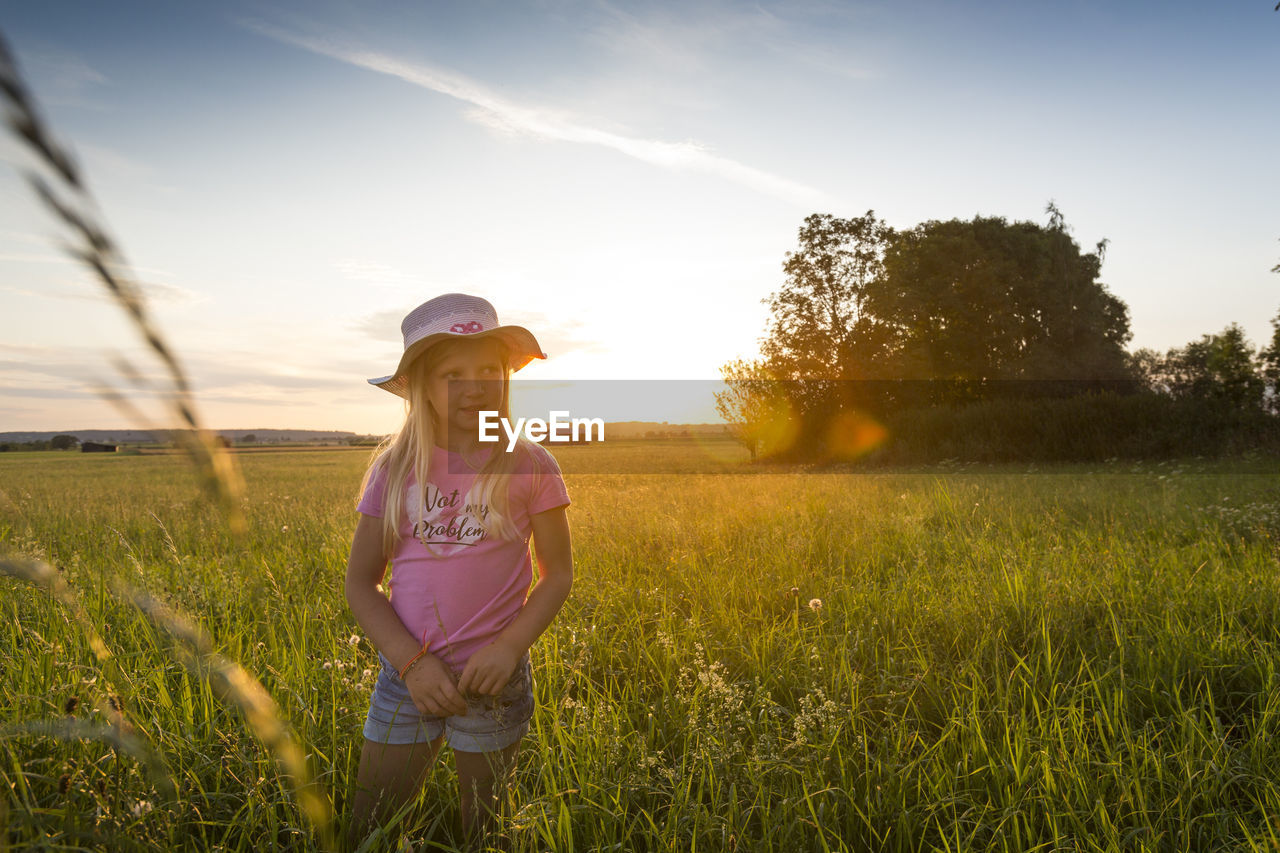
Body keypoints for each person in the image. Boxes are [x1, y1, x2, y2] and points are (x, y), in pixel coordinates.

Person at [345, 293, 573, 846]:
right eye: (453, 374)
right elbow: (360, 583)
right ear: (422, 385)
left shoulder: (529, 462)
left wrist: (508, 648)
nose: (474, 386)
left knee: (485, 830)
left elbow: (558, 574)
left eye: (488, 371)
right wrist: (412, 664)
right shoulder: (395, 468)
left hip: (491, 679)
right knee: (369, 825)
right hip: (409, 677)